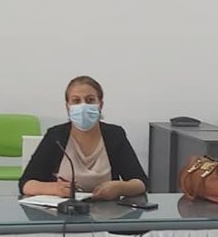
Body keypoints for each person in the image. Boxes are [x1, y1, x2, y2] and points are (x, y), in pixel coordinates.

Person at [20, 76, 148, 200]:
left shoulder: (114, 135)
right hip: (63, 210)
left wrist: (120, 187)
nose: (83, 106)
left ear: (100, 104)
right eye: (76, 101)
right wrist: (55, 189)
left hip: (107, 210)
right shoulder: (55, 136)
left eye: (90, 100)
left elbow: (141, 182)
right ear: (67, 106)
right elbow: (26, 184)